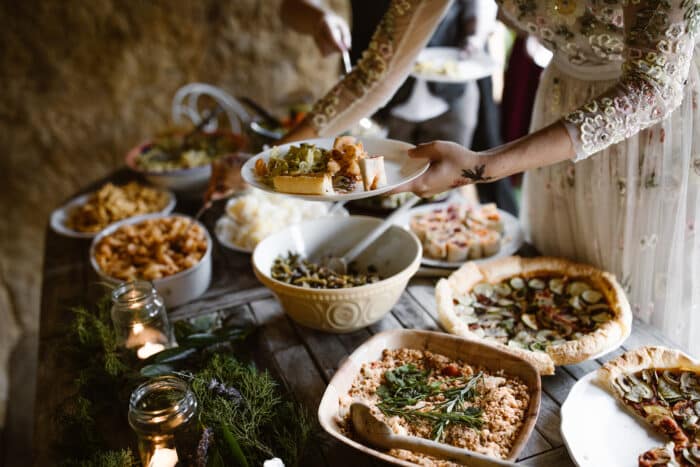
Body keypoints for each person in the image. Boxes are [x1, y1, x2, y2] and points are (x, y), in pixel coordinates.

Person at [282, 0, 700, 356]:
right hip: (558, 111)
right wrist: (273, 158)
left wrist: (481, 166)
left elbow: (653, 87)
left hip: (650, 134)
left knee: (641, 313)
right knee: (557, 298)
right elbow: (375, 71)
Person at [281, 0, 517, 214]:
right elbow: (289, 8)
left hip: (454, 94)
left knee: (444, 203)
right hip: (375, 113)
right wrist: (320, 18)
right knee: (376, 199)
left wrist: (477, 30)